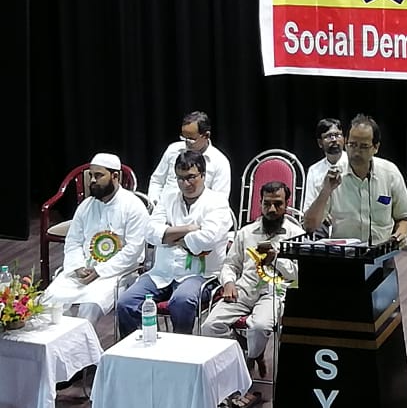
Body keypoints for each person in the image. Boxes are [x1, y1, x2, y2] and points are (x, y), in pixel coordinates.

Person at [117, 149, 235, 337]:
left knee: (181, 301)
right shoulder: (168, 197)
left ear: (203, 175)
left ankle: (179, 349)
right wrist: (189, 229)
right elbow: (150, 232)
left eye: (191, 177)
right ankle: (143, 347)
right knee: (126, 303)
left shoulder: (217, 202)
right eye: (180, 178)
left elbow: (206, 240)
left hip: (200, 275)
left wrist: (169, 235)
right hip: (162, 273)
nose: (185, 184)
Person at [201, 181, 305, 373]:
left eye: (277, 204)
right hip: (244, 289)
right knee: (209, 326)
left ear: (286, 204)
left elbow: (300, 275)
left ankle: (253, 355)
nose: (271, 209)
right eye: (267, 203)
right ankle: (242, 358)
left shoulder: (296, 235)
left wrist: (276, 260)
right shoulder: (246, 232)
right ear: (260, 203)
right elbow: (230, 264)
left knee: (259, 327)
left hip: (274, 292)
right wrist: (229, 283)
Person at [41, 153, 149, 326]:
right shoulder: (86, 206)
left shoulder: (134, 207)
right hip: (83, 270)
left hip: (116, 274)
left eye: (98, 176)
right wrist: (78, 267)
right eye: (91, 175)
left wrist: (100, 271)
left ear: (115, 176)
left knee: (89, 306)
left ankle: (80, 344)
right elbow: (73, 241)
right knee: (50, 299)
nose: (92, 180)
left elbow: (133, 251)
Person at [301, 114, 407, 245]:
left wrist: (400, 235)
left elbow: (403, 217)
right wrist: (326, 191)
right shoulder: (332, 176)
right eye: (352, 145)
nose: (356, 152)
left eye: (363, 146)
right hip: (344, 252)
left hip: (381, 250)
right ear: (345, 144)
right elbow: (309, 226)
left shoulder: (390, 173)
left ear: (376, 147)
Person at [146, 111, 232, 204]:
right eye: (184, 138)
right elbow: (157, 181)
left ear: (206, 135)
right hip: (164, 208)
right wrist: (154, 201)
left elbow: (220, 200)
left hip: (198, 211)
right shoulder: (173, 150)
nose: (186, 143)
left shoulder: (219, 162)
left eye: (191, 139)